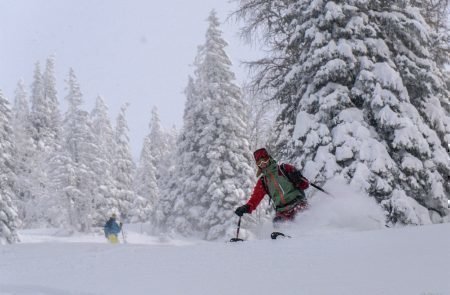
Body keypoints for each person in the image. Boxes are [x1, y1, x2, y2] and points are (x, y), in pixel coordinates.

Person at [235, 148, 310, 224]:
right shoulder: (263, 181)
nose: (263, 163)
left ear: (269, 158)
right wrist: (246, 207)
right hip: (283, 211)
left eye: (264, 159)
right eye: (259, 162)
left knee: (302, 217)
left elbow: (306, 184)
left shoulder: (283, 169)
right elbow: (255, 199)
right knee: (277, 223)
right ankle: (283, 235)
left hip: (298, 203)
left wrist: (298, 179)